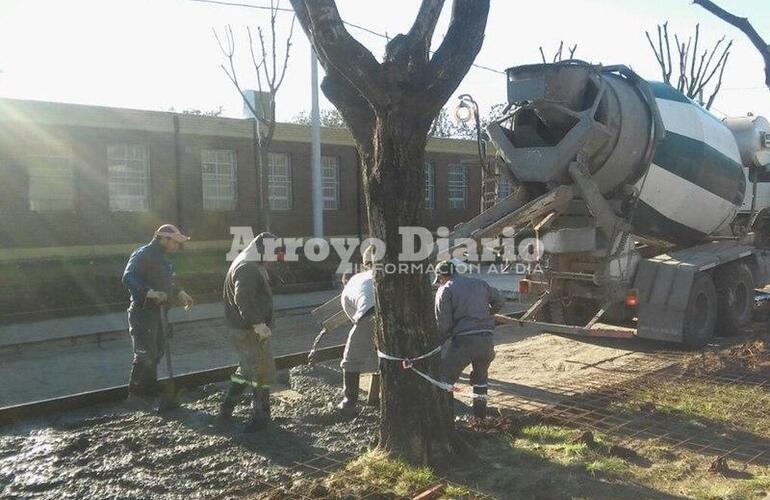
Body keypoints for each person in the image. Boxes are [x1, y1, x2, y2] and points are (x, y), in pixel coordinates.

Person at [220, 232, 285, 432]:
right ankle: (260, 417)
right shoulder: (248, 268)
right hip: (249, 330)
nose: (275, 258)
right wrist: (258, 324)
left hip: (244, 329)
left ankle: (227, 407)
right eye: (274, 253)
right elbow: (244, 298)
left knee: (247, 370)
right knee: (261, 371)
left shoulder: (250, 262)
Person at [122, 224, 195, 400]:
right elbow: (128, 277)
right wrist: (149, 292)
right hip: (143, 311)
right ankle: (137, 393)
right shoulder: (143, 254)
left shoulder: (163, 258)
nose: (176, 246)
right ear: (163, 238)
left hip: (159, 312)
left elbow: (167, 282)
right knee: (145, 353)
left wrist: (179, 292)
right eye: (174, 242)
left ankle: (150, 388)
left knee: (158, 350)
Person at [434, 260, 504, 419]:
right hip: (487, 340)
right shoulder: (480, 283)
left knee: (444, 380)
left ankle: (444, 419)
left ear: (441, 276)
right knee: (481, 380)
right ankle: (480, 418)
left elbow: (443, 326)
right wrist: (488, 315)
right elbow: (500, 300)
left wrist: (436, 345)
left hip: (464, 342)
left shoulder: (445, 289)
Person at [337, 246, 378, 410]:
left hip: (370, 312)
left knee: (351, 357)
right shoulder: (371, 275)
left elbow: (355, 319)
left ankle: (349, 400)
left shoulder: (348, 287)